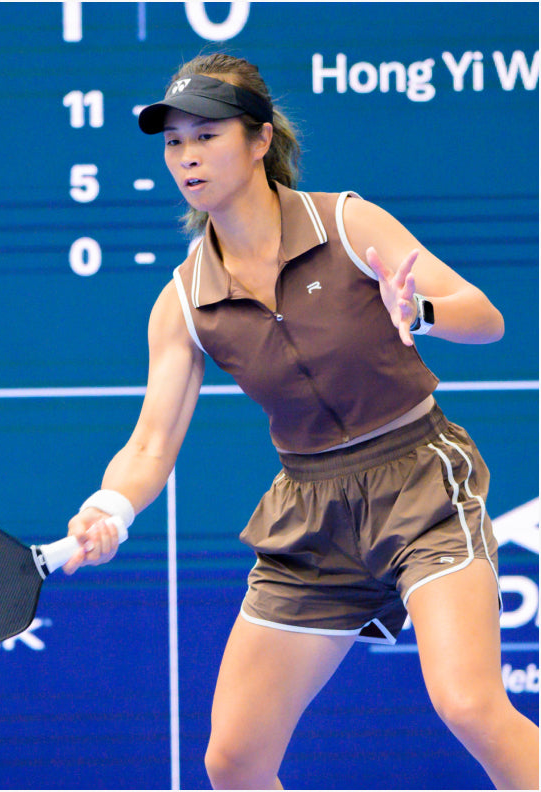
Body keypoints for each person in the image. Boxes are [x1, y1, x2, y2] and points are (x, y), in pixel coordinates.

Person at [63, 53, 539, 790]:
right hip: (312, 513)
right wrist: (109, 508)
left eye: (206, 135)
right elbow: (151, 442)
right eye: (173, 142)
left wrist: (423, 312)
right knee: (234, 760)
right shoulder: (183, 301)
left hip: (422, 482)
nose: (186, 156)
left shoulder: (347, 221)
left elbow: (489, 319)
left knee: (471, 703)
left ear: (260, 140)